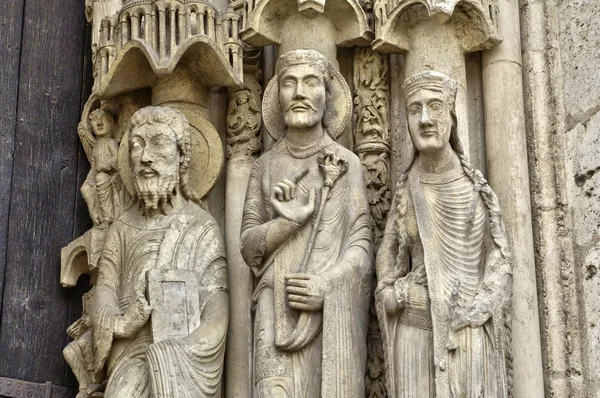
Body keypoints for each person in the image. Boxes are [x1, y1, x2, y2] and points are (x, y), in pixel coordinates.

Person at [240, 49, 373, 398]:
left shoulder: (347, 165)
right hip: (275, 306)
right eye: (289, 83)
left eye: (311, 82)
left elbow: (361, 247)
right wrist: (289, 222)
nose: (299, 92)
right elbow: (248, 245)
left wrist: (327, 286)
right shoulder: (264, 167)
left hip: (330, 315)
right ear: (278, 96)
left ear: (327, 97)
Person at [375, 71, 512, 398]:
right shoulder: (407, 190)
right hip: (414, 332)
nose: (424, 119)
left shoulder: (474, 189)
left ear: (451, 116)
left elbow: (499, 258)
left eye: (434, 107)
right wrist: (387, 290)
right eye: (414, 109)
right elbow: (387, 248)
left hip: (464, 334)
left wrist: (477, 308)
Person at [89, 106, 228, 397]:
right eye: (137, 145)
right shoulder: (122, 228)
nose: (145, 157)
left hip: (183, 358)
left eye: (160, 143)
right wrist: (121, 323)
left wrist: (185, 349)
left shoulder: (201, 227)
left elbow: (217, 303)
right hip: (129, 356)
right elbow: (105, 289)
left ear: (182, 158)